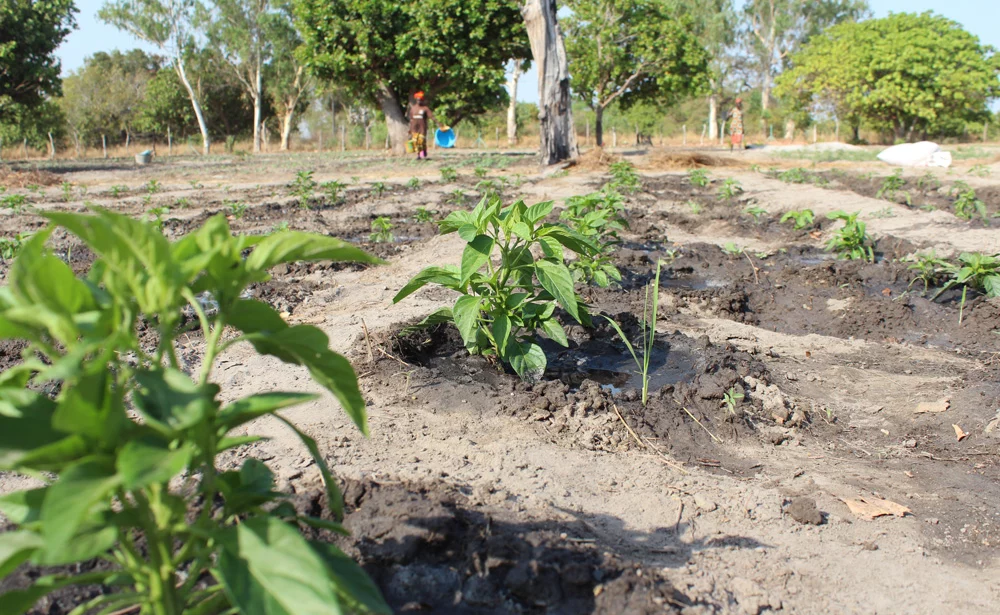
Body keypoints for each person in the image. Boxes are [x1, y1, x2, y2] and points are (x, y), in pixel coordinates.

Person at [408, 92, 439, 160]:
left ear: (422, 100)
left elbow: (431, 116)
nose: (419, 101)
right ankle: (419, 155)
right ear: (416, 100)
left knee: (421, 141)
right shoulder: (413, 108)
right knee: (416, 141)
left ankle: (424, 151)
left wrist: (438, 123)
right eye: (418, 100)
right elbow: (411, 119)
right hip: (414, 128)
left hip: (422, 128)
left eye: (420, 100)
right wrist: (410, 129)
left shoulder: (425, 108)